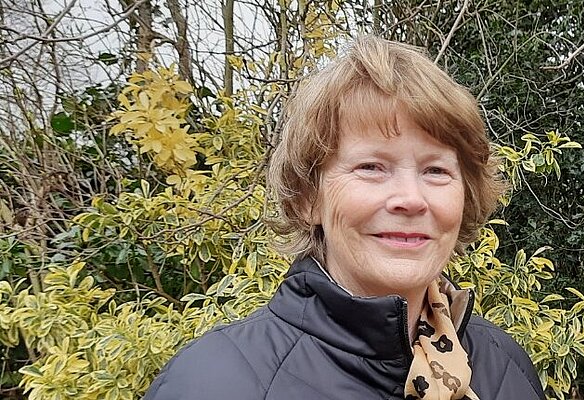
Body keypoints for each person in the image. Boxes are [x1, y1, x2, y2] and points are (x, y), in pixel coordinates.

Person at [144, 36, 545, 400]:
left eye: (436, 170)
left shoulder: (505, 367)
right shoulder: (213, 383)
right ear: (307, 198)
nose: (410, 198)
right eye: (371, 167)